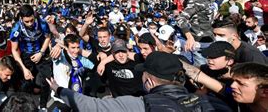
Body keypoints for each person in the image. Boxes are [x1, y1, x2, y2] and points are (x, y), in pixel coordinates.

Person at [47, 51, 231, 111]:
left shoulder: (139, 105)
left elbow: (89, 106)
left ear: (149, 82)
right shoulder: (213, 103)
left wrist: (60, 89)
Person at [177, 0, 244, 65]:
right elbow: (181, 19)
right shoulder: (196, 0)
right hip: (199, 41)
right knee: (203, 69)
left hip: (209, 37)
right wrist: (189, 37)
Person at [10, 4, 52, 110]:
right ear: (21, 18)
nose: (30, 24)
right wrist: (24, 69)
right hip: (26, 55)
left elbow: (48, 38)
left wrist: (41, 53)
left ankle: (43, 107)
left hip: (41, 52)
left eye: (31, 20)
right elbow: (14, 50)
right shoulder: (16, 28)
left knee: (46, 80)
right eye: (26, 21)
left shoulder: (42, 23)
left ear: (34, 15)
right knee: (26, 82)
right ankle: (25, 107)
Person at [50, 34, 94, 112]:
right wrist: (57, 46)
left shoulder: (80, 58)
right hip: (61, 98)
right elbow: (55, 55)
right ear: (66, 47)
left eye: (77, 47)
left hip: (77, 96)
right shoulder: (61, 56)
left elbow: (93, 65)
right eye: (73, 48)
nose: (76, 50)